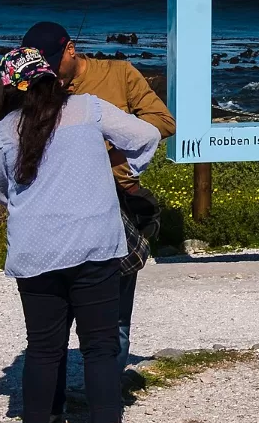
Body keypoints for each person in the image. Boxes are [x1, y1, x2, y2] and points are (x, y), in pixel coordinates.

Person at [0, 47, 159, 423]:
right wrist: (120, 168)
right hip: (95, 242)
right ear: (52, 77)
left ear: (10, 88)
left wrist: (26, 203)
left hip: (35, 249)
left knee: (43, 349)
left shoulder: (6, 128)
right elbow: (147, 135)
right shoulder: (88, 108)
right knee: (100, 347)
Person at [21, 21, 175, 396]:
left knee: (114, 310)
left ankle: (106, 392)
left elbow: (162, 122)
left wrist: (107, 149)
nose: (48, 71)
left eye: (53, 62)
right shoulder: (39, 87)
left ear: (71, 49)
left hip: (117, 200)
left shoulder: (119, 74)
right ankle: (56, 398)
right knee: (55, 315)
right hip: (59, 205)